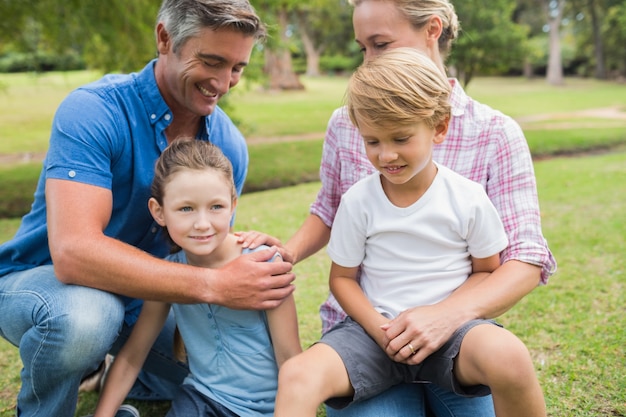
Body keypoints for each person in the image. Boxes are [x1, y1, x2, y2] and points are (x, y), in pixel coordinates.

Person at [238, 0, 556, 415]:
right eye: (362, 48)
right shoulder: (350, 122)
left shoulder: (496, 134)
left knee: (506, 359)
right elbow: (330, 210)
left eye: (380, 44)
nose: (367, 61)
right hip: (368, 332)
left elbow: (520, 259)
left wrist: (444, 316)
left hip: (455, 333)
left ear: (432, 30)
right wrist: (287, 253)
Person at [0, 1, 295, 416]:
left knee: (212, 360)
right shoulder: (94, 110)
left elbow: (208, 243)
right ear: (164, 39)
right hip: (46, 286)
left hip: (147, 298)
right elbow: (73, 254)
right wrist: (214, 286)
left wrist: (246, 246)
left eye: (237, 68)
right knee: (88, 318)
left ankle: (107, 372)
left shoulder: (228, 147)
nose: (223, 82)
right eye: (211, 61)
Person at [91, 139, 301, 417]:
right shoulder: (167, 276)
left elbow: (290, 359)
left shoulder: (264, 263)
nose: (202, 223)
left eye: (216, 207)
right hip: (202, 399)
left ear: (233, 204)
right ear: (159, 212)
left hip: (269, 408)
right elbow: (132, 356)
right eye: (186, 209)